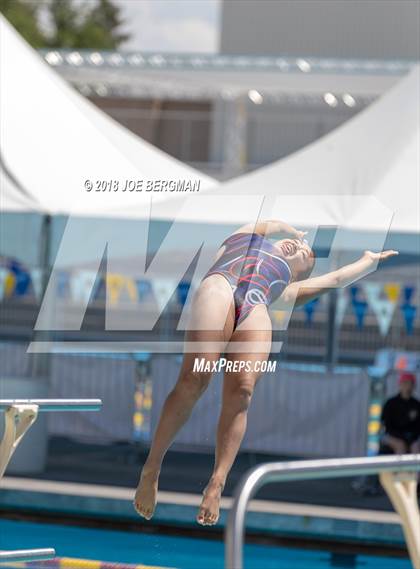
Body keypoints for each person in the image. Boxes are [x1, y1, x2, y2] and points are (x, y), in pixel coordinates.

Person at [134, 219, 398, 525]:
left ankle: (217, 483)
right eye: (297, 244)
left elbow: (337, 278)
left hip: (256, 308)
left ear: (299, 274)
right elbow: (264, 225)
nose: (298, 248)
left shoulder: (285, 293)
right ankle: (151, 469)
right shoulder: (243, 241)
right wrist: (290, 231)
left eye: (304, 254)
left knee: (243, 391)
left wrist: (367, 262)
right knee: (196, 377)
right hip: (222, 285)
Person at [381, 372, 420, 455]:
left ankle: (414, 468)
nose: (408, 386)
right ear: (400, 384)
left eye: (410, 383)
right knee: (400, 446)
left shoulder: (416, 404)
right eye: (405, 383)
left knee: (416, 447)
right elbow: (387, 425)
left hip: (411, 437)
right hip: (392, 435)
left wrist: (411, 437)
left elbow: (417, 427)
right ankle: (400, 468)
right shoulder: (391, 403)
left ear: (414, 386)